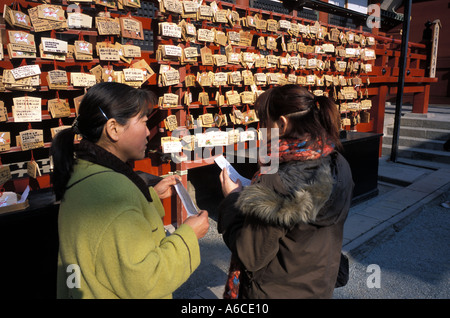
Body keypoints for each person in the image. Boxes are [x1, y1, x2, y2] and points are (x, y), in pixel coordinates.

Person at [52, 82, 209, 299]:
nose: (148, 132)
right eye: (144, 122)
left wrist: (152, 197)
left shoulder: (84, 171)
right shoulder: (115, 194)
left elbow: (109, 233)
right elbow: (147, 279)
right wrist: (189, 235)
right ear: (114, 129)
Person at [218, 84, 354, 299]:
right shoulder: (337, 161)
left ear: (282, 124)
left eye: (263, 123)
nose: (261, 130)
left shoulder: (276, 180)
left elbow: (251, 255)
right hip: (318, 285)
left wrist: (233, 198)